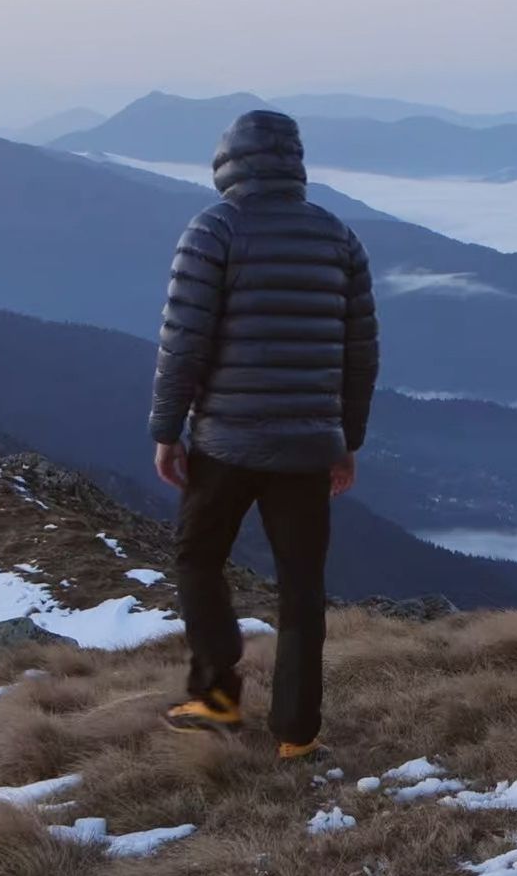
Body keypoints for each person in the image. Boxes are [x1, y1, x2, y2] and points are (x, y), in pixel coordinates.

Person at [147, 109, 378, 758]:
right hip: (307, 448)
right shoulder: (337, 236)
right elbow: (361, 353)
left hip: (225, 441)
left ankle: (217, 694)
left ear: (228, 162)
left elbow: (183, 342)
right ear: (295, 164)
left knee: (198, 558)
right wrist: (346, 440)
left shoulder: (214, 229)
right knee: (301, 587)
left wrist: (166, 429)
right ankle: (297, 734)